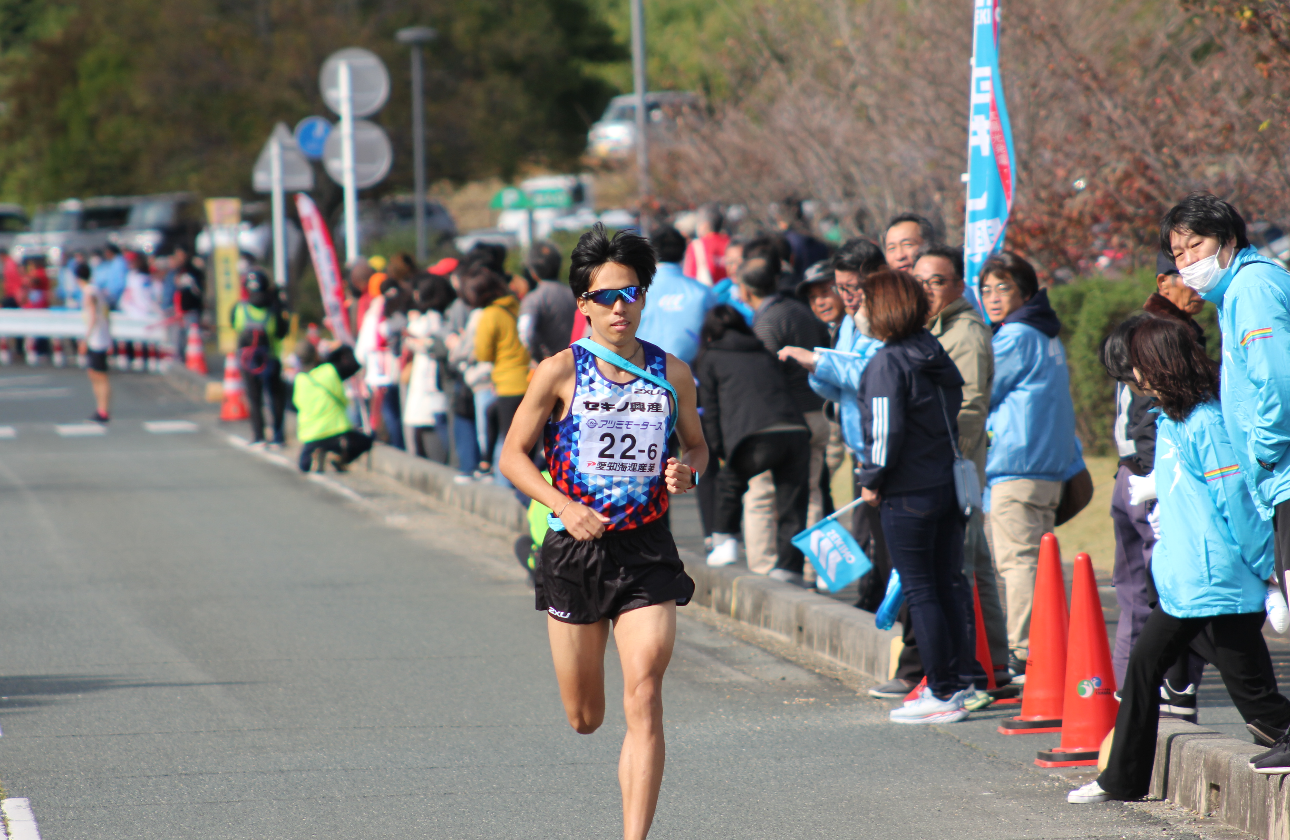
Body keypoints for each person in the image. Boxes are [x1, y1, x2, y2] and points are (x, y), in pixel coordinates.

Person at [498, 223, 707, 840]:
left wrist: (685, 471)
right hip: (575, 550)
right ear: (583, 302)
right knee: (586, 717)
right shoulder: (559, 371)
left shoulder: (673, 372)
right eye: (608, 295)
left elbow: (696, 447)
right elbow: (512, 455)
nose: (622, 307)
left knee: (644, 690)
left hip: (646, 548)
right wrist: (562, 505)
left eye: (633, 293)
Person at [1069, 316, 1290, 803]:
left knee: (1254, 698)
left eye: (1138, 369)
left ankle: (1121, 780)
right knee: (1147, 670)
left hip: (1219, 582)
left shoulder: (1205, 422)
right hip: (1189, 581)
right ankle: (1120, 780)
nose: (1134, 379)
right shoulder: (1172, 419)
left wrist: (1268, 569)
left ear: (1162, 364)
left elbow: (1237, 502)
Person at [1160, 192, 1290, 603]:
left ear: (1229, 239)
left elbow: (1278, 380)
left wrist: (1264, 451)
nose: (1187, 262)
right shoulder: (1236, 293)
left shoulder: (1251, 289)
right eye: (1177, 252)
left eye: (1196, 244)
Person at [854, 268, 970, 724]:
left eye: (865, 304)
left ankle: (940, 691)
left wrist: (871, 477)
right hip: (946, 483)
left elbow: (884, 433)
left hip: (907, 492)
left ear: (882, 308)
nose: (861, 313)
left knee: (922, 590)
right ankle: (958, 683)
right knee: (946, 585)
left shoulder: (887, 361)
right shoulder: (931, 350)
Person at [978, 251, 1081, 678]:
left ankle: (1026, 652)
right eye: (986, 289)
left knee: (1017, 563)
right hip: (1048, 469)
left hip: (1015, 467)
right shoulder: (1046, 334)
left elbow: (981, 389)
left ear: (1024, 292)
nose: (993, 297)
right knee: (1038, 564)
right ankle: (1047, 648)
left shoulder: (1014, 336)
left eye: (1004, 287)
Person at [915, 244, 1010, 695]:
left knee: (962, 563)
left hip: (956, 464)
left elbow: (970, 407)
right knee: (974, 563)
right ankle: (992, 662)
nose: (927, 290)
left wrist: (945, 458)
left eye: (936, 281)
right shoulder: (936, 326)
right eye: (919, 281)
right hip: (951, 462)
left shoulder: (965, 331)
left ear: (957, 286)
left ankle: (976, 668)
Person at [1101, 312, 1207, 719]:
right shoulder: (1153, 352)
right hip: (1145, 483)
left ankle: (1149, 695)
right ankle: (1147, 695)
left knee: (1151, 598)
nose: (1135, 384)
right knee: (1150, 597)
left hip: (1139, 480)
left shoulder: (1148, 347)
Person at [778, 239, 890, 607]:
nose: (846, 296)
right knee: (872, 531)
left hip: (884, 446)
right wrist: (814, 364)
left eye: (851, 288)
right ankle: (871, 598)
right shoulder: (849, 322)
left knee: (887, 541)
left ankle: (877, 602)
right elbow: (834, 381)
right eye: (841, 288)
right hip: (863, 446)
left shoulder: (884, 318)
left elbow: (872, 374)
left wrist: (815, 360)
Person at [698, 305, 811, 581]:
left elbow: (710, 410)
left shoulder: (711, 357)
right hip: (795, 428)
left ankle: (725, 543)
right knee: (792, 504)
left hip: (754, 434)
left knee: (730, 483)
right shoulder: (763, 351)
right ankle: (789, 569)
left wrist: (719, 449)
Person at [736, 252, 831, 579]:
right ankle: (812, 571)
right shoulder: (801, 311)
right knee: (812, 493)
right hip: (817, 412)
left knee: (761, 494)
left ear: (745, 290)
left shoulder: (765, 322)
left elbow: (763, 375)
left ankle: (764, 570)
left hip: (785, 420)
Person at [473, 264, 531, 480]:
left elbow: (483, 353)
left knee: (509, 444)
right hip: (528, 380)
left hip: (507, 384)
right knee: (526, 442)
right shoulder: (516, 304)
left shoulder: (490, 314)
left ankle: (508, 489)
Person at [635, 225, 717, 366]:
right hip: (691, 377)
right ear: (684, 252)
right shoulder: (703, 293)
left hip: (644, 374)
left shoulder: (637, 291)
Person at [292, 340, 374, 472]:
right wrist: (344, 346)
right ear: (316, 355)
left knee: (304, 466)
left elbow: (296, 404)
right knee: (366, 441)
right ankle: (341, 457)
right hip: (336, 430)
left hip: (311, 434)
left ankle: (314, 454)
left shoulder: (299, 380)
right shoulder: (329, 371)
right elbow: (354, 365)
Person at [231, 268, 290, 447]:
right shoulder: (273, 309)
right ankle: (278, 436)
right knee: (275, 397)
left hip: (248, 360)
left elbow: (234, 325)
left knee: (254, 398)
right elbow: (281, 332)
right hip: (271, 357)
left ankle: (258, 436)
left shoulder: (240, 308)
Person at [403, 273, 455, 462]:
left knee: (436, 421)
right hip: (427, 376)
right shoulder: (433, 315)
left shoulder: (433, 317)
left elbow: (431, 340)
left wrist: (415, 341)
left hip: (432, 376)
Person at [517, 240, 577, 364]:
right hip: (576, 361)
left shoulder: (534, 298)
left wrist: (538, 357)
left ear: (532, 271)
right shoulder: (574, 295)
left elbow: (525, 333)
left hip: (550, 364)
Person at [76, 262, 111, 423]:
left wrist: (85, 339)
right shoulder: (95, 290)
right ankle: (100, 409)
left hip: (96, 339)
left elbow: (93, 316)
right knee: (94, 374)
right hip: (100, 337)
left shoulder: (89, 292)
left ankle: (103, 410)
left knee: (99, 375)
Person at [682, 204, 730, 286]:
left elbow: (689, 278)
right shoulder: (731, 243)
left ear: (705, 224)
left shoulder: (696, 245)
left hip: (708, 295)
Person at [796, 261, 845, 341]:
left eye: (825, 292)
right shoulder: (823, 332)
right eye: (812, 297)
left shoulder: (859, 328)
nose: (819, 303)